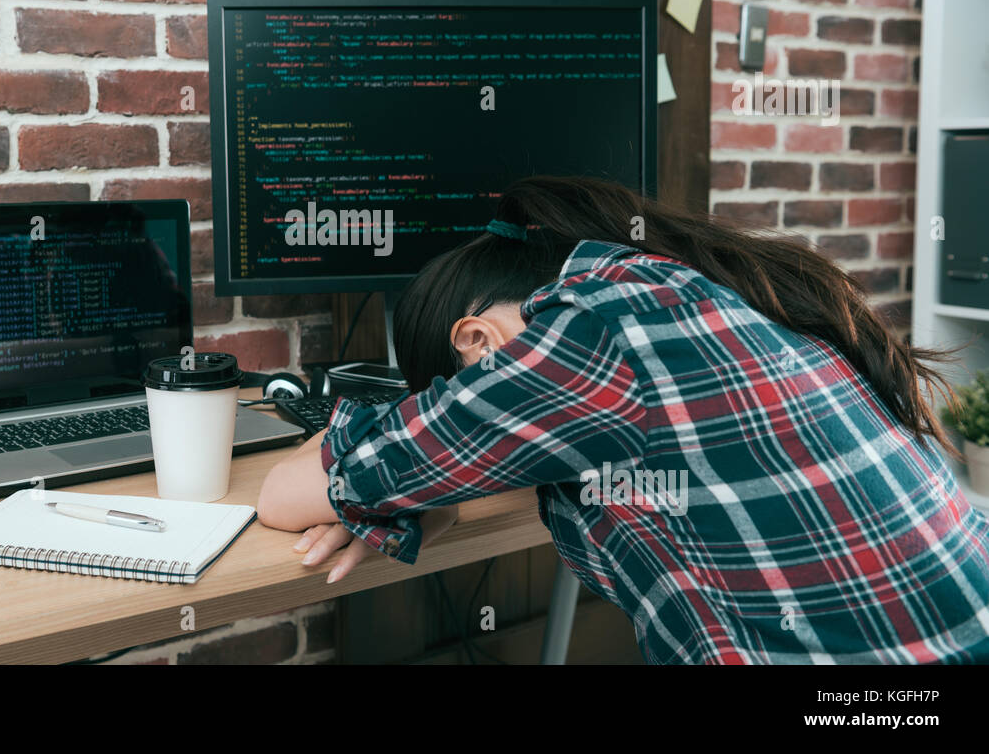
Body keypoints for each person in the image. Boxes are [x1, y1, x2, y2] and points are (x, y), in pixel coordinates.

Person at [257, 176, 989, 663]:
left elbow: (282, 495)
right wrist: (432, 497)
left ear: (476, 341)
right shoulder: (685, 291)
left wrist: (389, 472)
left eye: (449, 399)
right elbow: (611, 467)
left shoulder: (586, 333)